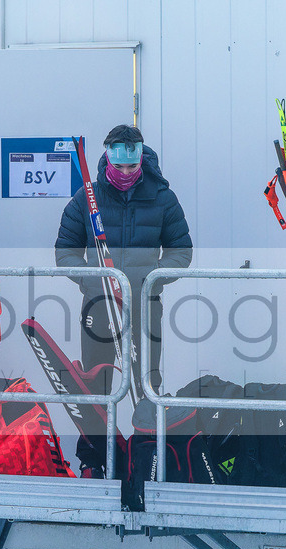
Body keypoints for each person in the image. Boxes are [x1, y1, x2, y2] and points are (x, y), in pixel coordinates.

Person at [55, 124, 192, 475]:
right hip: (100, 305)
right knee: (97, 383)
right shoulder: (87, 197)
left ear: (142, 160)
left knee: (147, 381)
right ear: (109, 161)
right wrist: (96, 281)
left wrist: (151, 278)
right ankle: (93, 460)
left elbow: (181, 250)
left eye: (134, 167)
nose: (128, 174)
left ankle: (146, 458)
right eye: (122, 168)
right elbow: (65, 252)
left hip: (145, 304)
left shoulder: (162, 196)